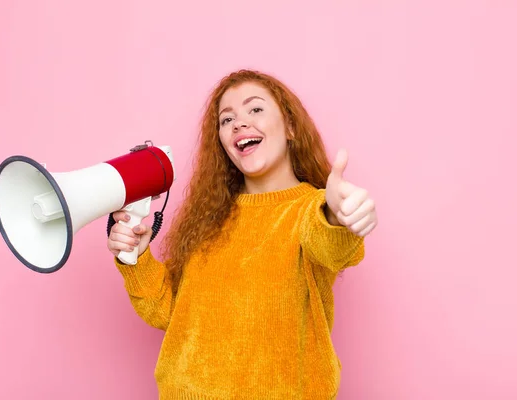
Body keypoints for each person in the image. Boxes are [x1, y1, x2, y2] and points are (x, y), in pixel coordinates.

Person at [106, 69, 378, 399]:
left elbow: (331, 244)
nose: (239, 123)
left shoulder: (311, 209)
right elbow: (169, 314)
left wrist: (339, 214)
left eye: (256, 109)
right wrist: (136, 257)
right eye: (226, 119)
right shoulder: (208, 219)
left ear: (290, 127)